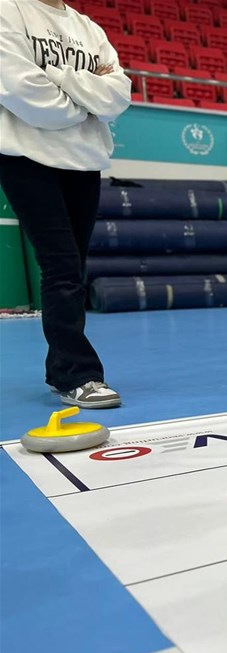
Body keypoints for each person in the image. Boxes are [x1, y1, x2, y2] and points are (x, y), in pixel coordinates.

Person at [0, 0, 131, 408]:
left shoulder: (88, 27)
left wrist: (59, 76)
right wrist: (86, 93)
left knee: (73, 268)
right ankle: (79, 374)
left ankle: (61, 370)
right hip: (27, 157)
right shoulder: (8, 11)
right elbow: (22, 89)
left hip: (83, 160)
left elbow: (118, 94)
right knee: (60, 267)